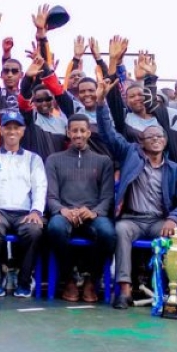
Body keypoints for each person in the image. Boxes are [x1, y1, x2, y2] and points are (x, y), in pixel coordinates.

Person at [96, 78, 177, 309]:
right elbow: (109, 133)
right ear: (141, 142)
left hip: (160, 221)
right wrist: (101, 103)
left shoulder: (175, 170)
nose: (156, 140)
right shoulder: (130, 154)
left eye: (160, 136)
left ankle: (175, 290)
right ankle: (124, 290)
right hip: (132, 220)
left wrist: (173, 218)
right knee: (120, 230)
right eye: (151, 137)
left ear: (166, 141)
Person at [0, 110, 47, 297]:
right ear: (1, 130)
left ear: (22, 131)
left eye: (16, 127)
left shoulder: (33, 159)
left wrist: (36, 211)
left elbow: (40, 187)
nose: (12, 131)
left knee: (34, 231)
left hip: (25, 213)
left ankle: (24, 280)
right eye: (8, 128)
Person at [45, 114, 116, 302]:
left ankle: (92, 280)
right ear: (68, 132)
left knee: (108, 233)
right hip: (65, 213)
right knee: (55, 228)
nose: (78, 134)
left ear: (89, 133)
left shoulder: (103, 161)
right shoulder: (53, 160)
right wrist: (63, 210)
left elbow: (108, 196)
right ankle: (68, 279)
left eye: (82, 130)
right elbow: (50, 195)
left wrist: (94, 212)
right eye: (74, 130)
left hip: (93, 214)